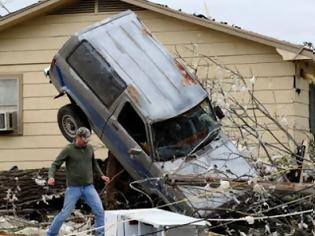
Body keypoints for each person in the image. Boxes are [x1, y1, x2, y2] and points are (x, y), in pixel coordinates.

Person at [47, 127, 110, 236]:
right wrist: (51, 176)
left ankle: (100, 234)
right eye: (84, 140)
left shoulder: (89, 148)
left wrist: (102, 176)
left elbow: (94, 163)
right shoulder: (68, 149)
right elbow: (55, 164)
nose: (86, 143)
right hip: (73, 188)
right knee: (65, 213)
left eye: (87, 141)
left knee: (99, 211)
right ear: (78, 137)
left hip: (88, 187)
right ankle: (51, 233)